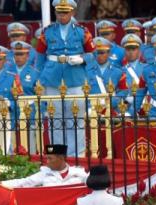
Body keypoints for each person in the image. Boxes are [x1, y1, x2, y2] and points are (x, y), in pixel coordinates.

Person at [35, 0, 95, 156]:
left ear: (73, 13)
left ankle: (77, 156)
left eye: (65, 12)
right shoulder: (47, 32)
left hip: (75, 78)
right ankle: (57, 156)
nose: (62, 16)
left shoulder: (82, 32)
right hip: (52, 78)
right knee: (55, 119)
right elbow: (40, 56)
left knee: (76, 120)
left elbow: (92, 54)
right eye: (59, 12)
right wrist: (40, 79)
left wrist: (83, 59)